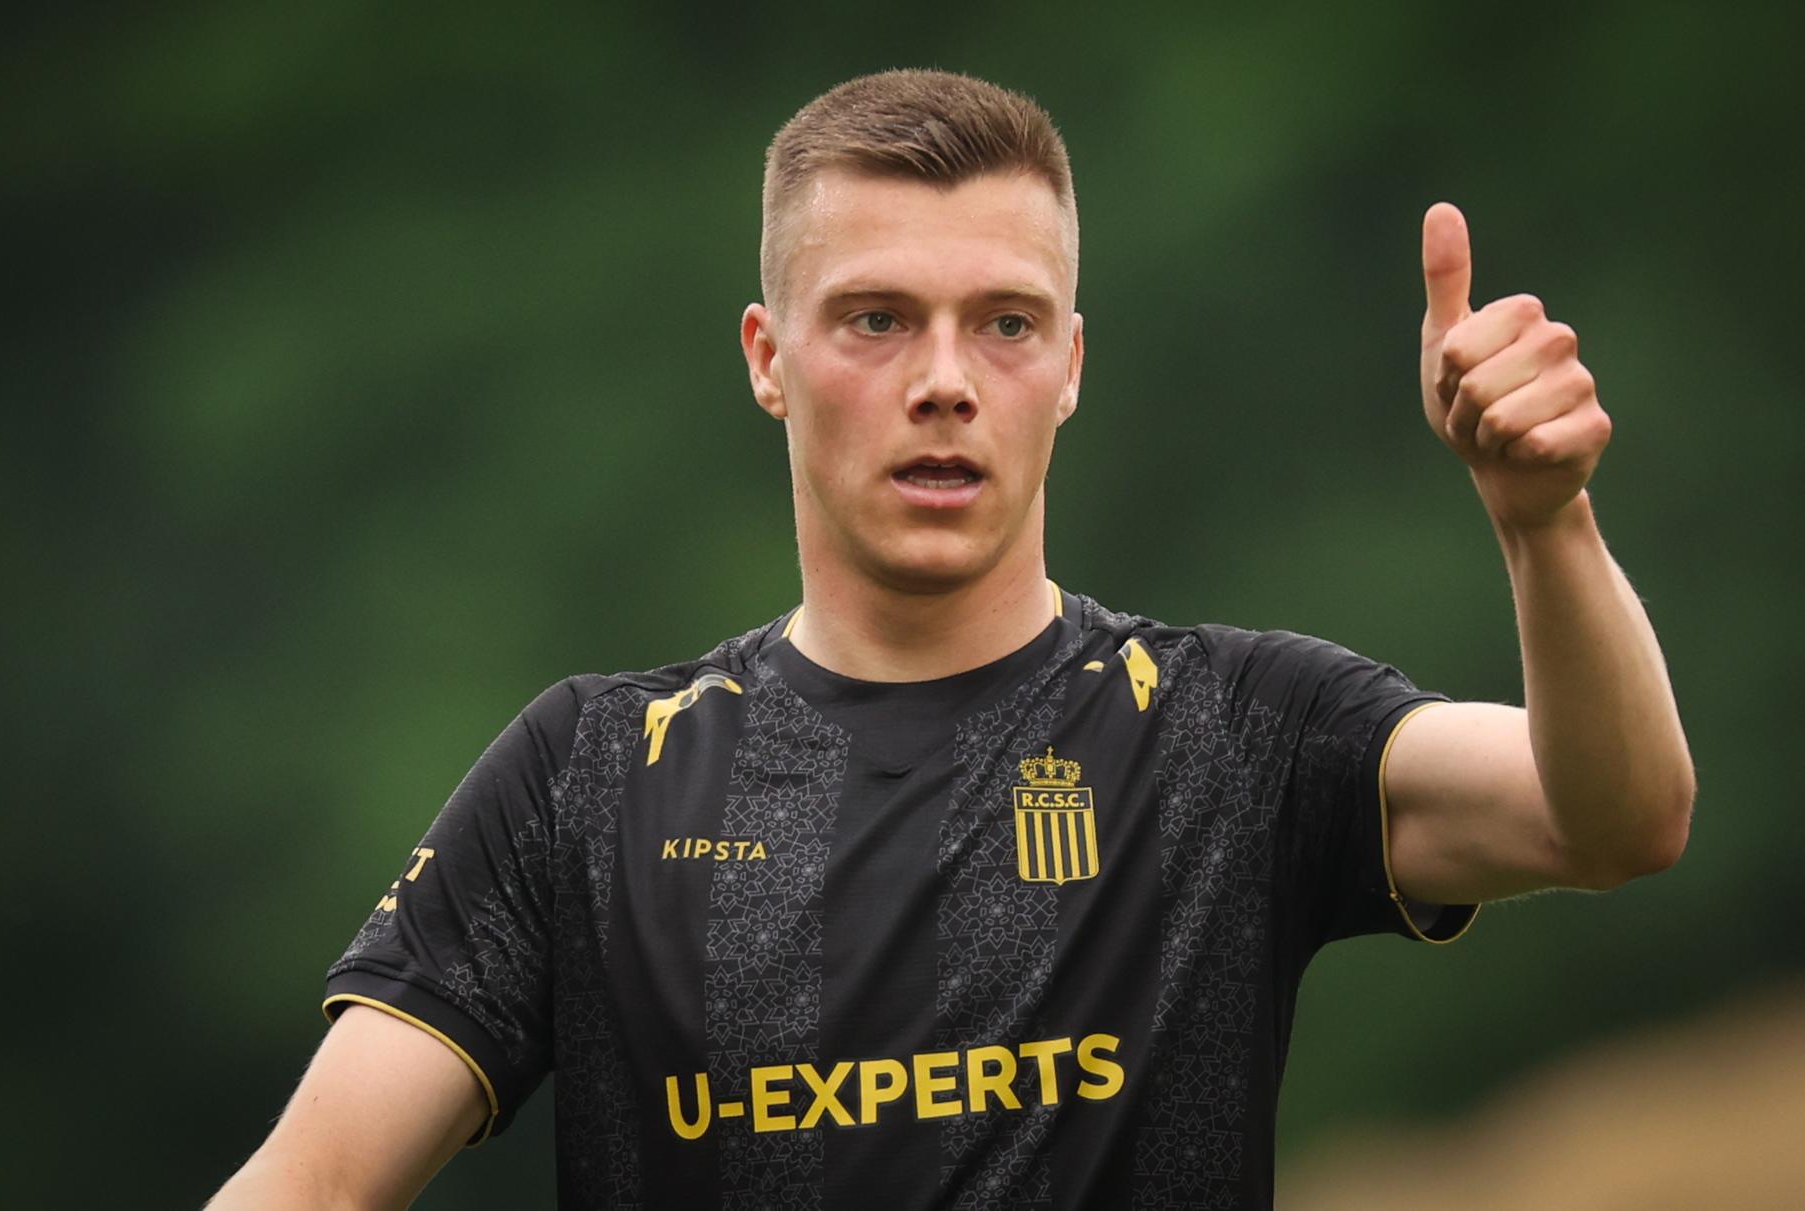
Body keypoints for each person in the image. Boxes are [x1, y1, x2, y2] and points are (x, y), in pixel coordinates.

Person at [208, 69, 1693, 1209]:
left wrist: (1542, 521)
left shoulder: (1231, 729)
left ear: (1072, 365)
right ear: (766, 358)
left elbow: (1614, 816)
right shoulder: (590, 773)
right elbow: (312, 1183)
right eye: (873, 319)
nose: (944, 381)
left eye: (1004, 322)